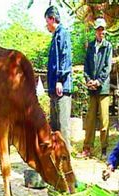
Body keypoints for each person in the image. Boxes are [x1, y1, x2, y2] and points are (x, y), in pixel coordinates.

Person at [81, 17, 112, 159]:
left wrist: (98, 82)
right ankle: (87, 148)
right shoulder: (90, 47)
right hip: (91, 88)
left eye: (103, 29)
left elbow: (107, 67)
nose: (101, 32)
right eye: (99, 29)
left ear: (105, 31)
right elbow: (86, 66)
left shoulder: (108, 46)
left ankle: (104, 149)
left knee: (104, 120)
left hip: (103, 89)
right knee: (90, 120)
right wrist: (88, 80)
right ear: (95, 31)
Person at [44, 6, 72, 151]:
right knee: (54, 127)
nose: (46, 25)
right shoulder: (55, 36)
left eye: (47, 21)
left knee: (63, 126)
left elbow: (65, 58)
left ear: (52, 19)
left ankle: (67, 164)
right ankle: (56, 159)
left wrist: (61, 79)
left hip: (62, 87)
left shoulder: (63, 34)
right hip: (54, 89)